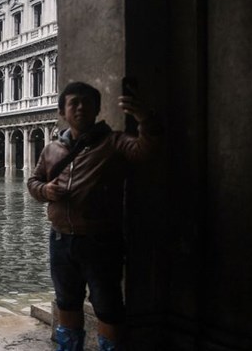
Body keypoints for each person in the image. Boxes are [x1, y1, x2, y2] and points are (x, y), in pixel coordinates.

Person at [27, 81, 161, 351]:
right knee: (66, 302)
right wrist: (46, 190)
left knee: (108, 306)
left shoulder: (113, 142)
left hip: (100, 241)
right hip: (60, 239)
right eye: (73, 102)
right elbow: (33, 181)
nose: (80, 107)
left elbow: (147, 150)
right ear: (62, 111)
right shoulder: (52, 149)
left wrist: (145, 119)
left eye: (87, 102)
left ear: (97, 109)